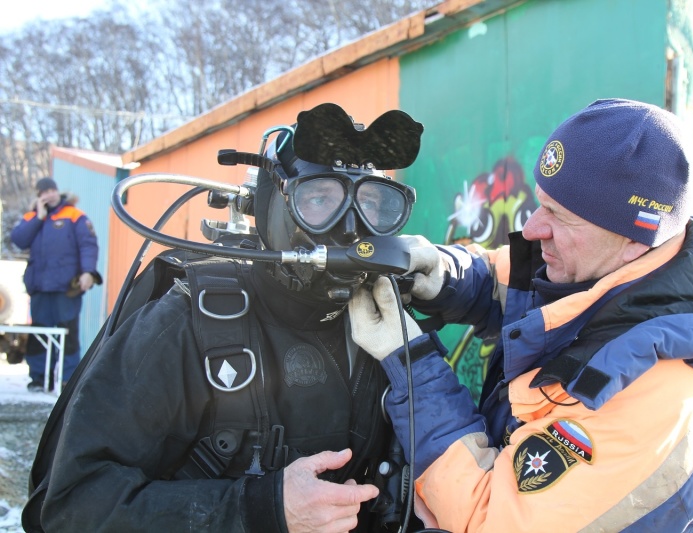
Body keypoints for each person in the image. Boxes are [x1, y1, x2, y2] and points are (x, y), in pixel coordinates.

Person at [349, 99, 693, 531]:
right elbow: (513, 284)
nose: (532, 228)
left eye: (559, 215)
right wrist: (442, 273)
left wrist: (413, 366)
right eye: (541, 202)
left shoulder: (664, 399)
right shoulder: (611, 267)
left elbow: (489, 518)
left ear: (634, 239)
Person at [34, 105, 422, 532]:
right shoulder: (185, 325)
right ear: (272, 206)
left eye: (373, 204)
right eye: (318, 199)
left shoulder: (391, 329)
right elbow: (73, 506)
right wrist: (260, 509)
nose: (351, 227)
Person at [10, 177, 100, 392]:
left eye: (51, 190)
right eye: (43, 192)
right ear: (39, 196)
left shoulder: (74, 215)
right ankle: (39, 378)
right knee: (39, 335)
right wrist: (38, 218)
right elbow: (19, 240)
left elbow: (88, 245)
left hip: (66, 287)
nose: (48, 194)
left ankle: (68, 379)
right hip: (40, 287)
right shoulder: (32, 217)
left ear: (57, 191)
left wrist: (88, 272)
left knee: (68, 335)